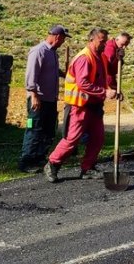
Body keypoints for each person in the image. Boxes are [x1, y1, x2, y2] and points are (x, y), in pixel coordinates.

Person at [44, 28, 119, 183]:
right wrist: (104, 92)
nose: (105, 44)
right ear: (92, 40)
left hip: (95, 106)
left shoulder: (101, 57)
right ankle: (52, 164)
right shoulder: (84, 58)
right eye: (102, 41)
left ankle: (88, 168)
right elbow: (83, 83)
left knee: (98, 138)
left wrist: (114, 90)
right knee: (72, 139)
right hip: (80, 106)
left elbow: (105, 78)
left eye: (105, 40)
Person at [18, 25, 70, 173]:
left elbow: (51, 71)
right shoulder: (38, 51)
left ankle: (39, 158)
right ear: (58, 37)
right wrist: (34, 95)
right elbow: (31, 75)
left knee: (48, 130)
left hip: (50, 99)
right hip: (38, 99)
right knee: (34, 129)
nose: (63, 42)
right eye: (63, 39)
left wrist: (63, 74)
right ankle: (27, 162)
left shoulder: (53, 53)